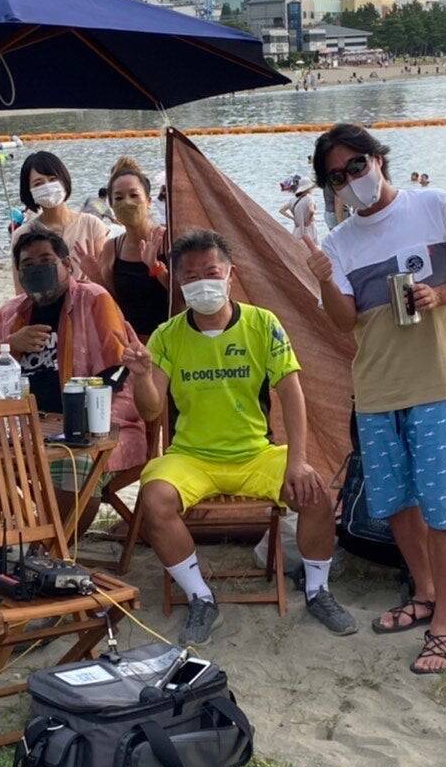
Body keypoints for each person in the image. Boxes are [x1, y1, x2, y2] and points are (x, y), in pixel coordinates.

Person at [306, 124, 446, 674]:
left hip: (436, 381)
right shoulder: (338, 243)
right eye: (337, 177)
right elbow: (343, 321)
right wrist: (323, 277)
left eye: (357, 165)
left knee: (443, 506)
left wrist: (442, 293)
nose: (351, 180)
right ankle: (424, 592)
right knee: (394, 504)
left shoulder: (434, 206)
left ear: (378, 159)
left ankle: (445, 628)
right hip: (375, 388)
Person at [124, 229, 357, 646]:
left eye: (211, 271)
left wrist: (298, 460)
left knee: (316, 492)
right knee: (154, 499)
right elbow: (151, 410)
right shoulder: (167, 336)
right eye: (190, 276)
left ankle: (318, 590)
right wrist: (141, 377)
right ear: (177, 282)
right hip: (192, 456)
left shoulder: (262, 324)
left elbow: (292, 394)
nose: (202, 283)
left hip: (255, 453)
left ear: (231, 273)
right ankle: (200, 596)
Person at [0, 228, 149, 511]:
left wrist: (70, 419)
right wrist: (11, 344)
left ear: (66, 264)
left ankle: (56, 539)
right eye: (28, 264)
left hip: (93, 426)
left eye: (46, 260)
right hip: (22, 426)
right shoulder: (13, 311)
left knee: (74, 465)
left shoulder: (93, 299)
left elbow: (115, 372)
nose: (37, 269)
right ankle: (15, 533)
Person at [92, 158, 169, 340]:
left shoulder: (167, 240)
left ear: (148, 201)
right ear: (112, 206)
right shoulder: (112, 247)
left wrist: (156, 268)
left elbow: (183, 296)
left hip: (171, 342)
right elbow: (113, 304)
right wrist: (95, 277)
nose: (127, 202)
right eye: (119, 198)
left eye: (134, 195)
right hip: (133, 344)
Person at [11, 152, 108, 288]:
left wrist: (94, 274)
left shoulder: (92, 225)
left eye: (52, 179)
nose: (47, 186)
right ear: (29, 190)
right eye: (38, 183)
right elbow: (21, 292)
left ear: (64, 180)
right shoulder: (23, 235)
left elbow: (107, 282)